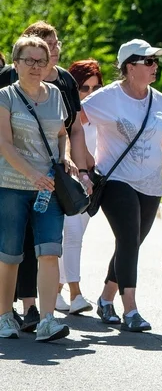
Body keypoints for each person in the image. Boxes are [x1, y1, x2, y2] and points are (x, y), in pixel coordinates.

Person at [80, 39, 162, 332]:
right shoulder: (107, 97)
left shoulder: (159, 100)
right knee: (127, 238)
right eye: (148, 61)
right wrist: (83, 161)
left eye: (155, 61)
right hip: (115, 179)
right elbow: (73, 122)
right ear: (129, 67)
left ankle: (105, 298)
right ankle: (132, 309)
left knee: (132, 243)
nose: (154, 67)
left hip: (150, 184)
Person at [0, 21, 90, 333]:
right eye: (29, 61)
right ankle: (4, 317)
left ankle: (48, 320)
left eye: (42, 60)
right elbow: (4, 144)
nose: (36, 66)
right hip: (12, 186)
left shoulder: (56, 94)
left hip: (49, 187)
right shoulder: (5, 96)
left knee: (50, 251)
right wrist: (33, 175)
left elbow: (62, 133)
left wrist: (65, 157)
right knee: (10, 254)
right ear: (16, 64)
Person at [54, 59, 103, 315]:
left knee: (74, 238)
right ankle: (76, 292)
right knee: (71, 235)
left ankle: (55, 290)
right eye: (84, 88)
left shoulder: (101, 116)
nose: (90, 94)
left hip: (92, 183)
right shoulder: (67, 114)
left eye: (96, 88)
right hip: (69, 180)